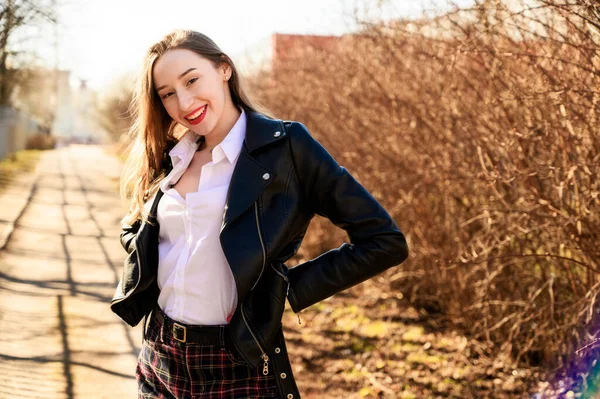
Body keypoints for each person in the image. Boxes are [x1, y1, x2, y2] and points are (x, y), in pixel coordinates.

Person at [111, 29, 409, 399]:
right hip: (159, 355)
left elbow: (383, 241)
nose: (184, 102)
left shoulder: (287, 148)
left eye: (191, 80)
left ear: (224, 70)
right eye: (167, 93)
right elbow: (139, 227)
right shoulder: (172, 155)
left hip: (236, 358)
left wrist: (286, 289)